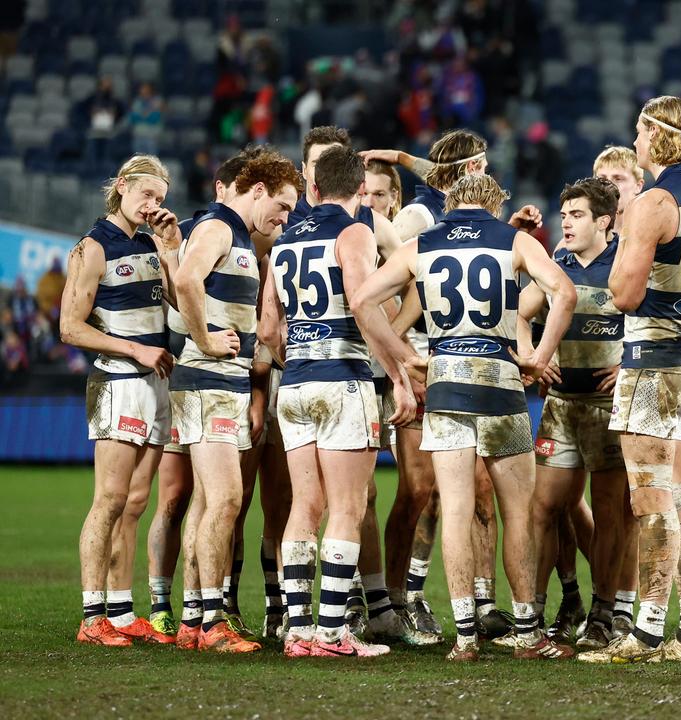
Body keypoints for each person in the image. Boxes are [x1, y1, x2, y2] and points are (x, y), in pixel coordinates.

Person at [352, 172, 578, 661]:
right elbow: (565, 293)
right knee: (516, 511)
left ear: (450, 204)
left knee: (453, 509)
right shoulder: (514, 239)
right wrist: (540, 354)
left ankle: (466, 636)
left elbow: (363, 300)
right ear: (494, 204)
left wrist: (401, 357)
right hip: (499, 381)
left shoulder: (421, 245)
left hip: (446, 381)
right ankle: (526, 631)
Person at [578, 96, 681, 664]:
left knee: (650, 500)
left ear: (656, 138)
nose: (633, 141)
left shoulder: (654, 201)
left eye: (638, 132)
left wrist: (617, 263)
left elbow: (625, 294)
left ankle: (649, 629)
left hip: (652, 361)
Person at [259, 146, 402, 658]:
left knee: (304, 507)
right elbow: (363, 305)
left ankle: (297, 631)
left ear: (313, 188)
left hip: (294, 383)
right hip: (343, 378)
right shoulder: (355, 232)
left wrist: (297, 355)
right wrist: (402, 372)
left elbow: (267, 329)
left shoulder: (282, 242)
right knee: (346, 506)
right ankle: (333, 633)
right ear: (360, 190)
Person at [170, 148, 301, 653]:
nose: (284, 217)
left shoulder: (240, 235)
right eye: (284, 206)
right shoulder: (219, 227)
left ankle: (192, 622)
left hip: (216, 383)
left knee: (208, 504)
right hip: (208, 379)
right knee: (226, 499)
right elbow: (185, 280)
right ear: (259, 190)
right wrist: (203, 339)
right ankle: (210, 625)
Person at [63, 155, 181, 646]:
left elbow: (180, 302)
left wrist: (173, 248)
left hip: (155, 382)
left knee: (134, 503)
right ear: (122, 188)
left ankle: (120, 610)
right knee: (109, 500)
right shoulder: (92, 248)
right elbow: (70, 327)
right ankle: (93, 618)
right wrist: (135, 348)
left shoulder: (153, 242)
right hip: (117, 380)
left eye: (160, 198)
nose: (152, 205)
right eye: (146, 195)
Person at [520, 177, 626, 649]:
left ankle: (605, 614)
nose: (566, 221)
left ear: (604, 221)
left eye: (577, 214)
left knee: (609, 513)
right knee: (544, 507)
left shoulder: (626, 263)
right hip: (561, 406)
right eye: (564, 214)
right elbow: (517, 314)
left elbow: (663, 320)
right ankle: (539, 613)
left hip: (608, 407)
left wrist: (631, 364)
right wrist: (537, 354)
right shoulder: (553, 265)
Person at [592, 144, 645, 636]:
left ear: (638, 185)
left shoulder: (649, 239)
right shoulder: (579, 242)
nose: (609, 185)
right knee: (559, 504)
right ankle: (590, 599)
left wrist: (627, 356)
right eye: (601, 177)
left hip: (640, 383)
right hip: (578, 394)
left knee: (633, 505)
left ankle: (623, 607)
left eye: (619, 178)